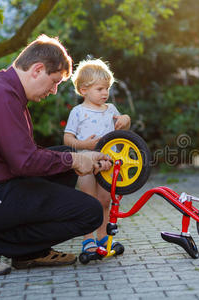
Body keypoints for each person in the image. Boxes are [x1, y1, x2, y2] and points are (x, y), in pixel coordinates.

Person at [0, 35, 112, 276]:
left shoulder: (5, 90)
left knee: (65, 157)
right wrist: (76, 160)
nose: (53, 91)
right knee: (90, 212)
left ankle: (30, 252)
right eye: (54, 82)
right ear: (37, 69)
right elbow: (25, 162)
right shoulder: (1, 96)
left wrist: (83, 157)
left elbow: (27, 157)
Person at [64, 58, 131, 255]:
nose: (105, 93)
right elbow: (67, 138)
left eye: (107, 88)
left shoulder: (110, 109)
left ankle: (103, 237)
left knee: (104, 201)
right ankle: (88, 240)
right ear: (84, 90)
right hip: (86, 164)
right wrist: (84, 145)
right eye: (100, 89)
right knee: (89, 201)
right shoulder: (78, 112)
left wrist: (126, 119)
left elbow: (123, 126)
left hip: (109, 164)